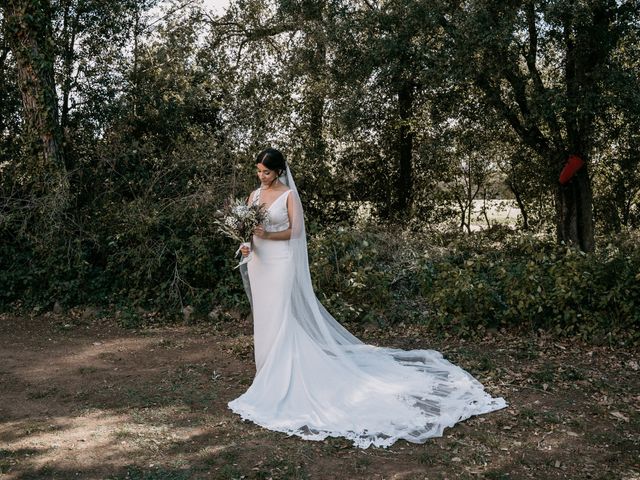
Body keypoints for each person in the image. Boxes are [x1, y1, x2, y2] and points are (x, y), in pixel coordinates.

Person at [228, 148, 506, 449]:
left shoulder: (288, 196)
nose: (261, 176)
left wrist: (265, 236)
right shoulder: (253, 196)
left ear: (279, 171)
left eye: (266, 172)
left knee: (282, 315)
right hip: (260, 263)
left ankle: (283, 376)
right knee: (266, 315)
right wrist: (247, 244)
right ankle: (267, 370)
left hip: (280, 262)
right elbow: (247, 232)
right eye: (258, 171)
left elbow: (295, 233)